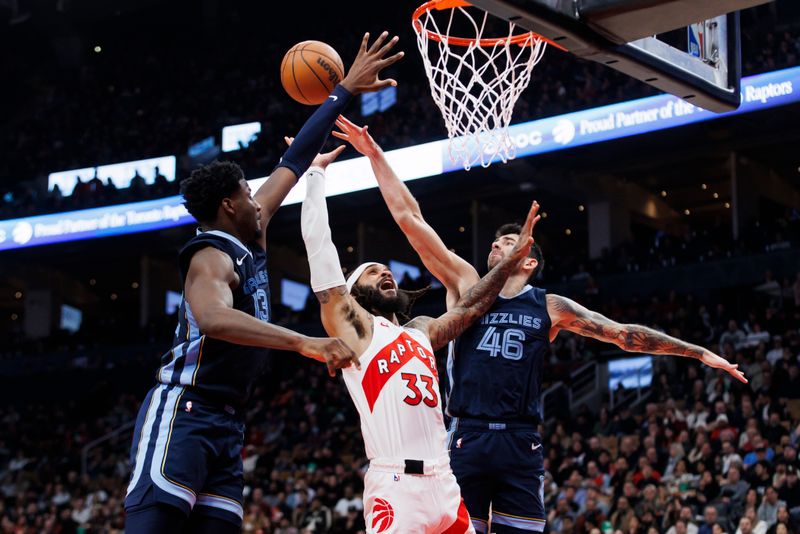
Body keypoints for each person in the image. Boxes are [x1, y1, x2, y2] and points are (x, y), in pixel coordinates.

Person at [332, 115, 748, 534]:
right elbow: (411, 220)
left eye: (508, 241)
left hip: (520, 440)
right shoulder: (466, 285)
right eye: (495, 241)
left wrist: (697, 351)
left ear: (528, 260)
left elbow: (623, 334)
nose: (496, 244)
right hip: (465, 437)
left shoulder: (550, 306)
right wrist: (375, 155)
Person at [123, 31, 403, 534]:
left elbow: (292, 163)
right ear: (230, 206)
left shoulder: (254, 227)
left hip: (228, 423)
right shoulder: (210, 255)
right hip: (184, 409)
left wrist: (344, 92)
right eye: (250, 194)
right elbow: (212, 318)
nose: (261, 199)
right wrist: (303, 342)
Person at [299, 150, 540, 533]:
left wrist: (511, 261)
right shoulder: (355, 329)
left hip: (444, 483)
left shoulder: (421, 330)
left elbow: (474, 305)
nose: (385, 273)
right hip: (396, 486)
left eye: (387, 268)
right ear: (352, 292)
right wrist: (314, 175)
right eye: (372, 272)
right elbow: (319, 249)